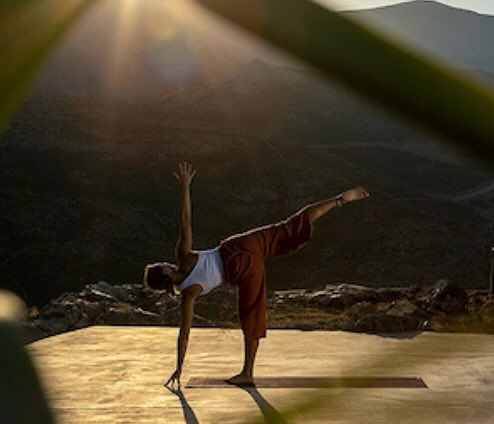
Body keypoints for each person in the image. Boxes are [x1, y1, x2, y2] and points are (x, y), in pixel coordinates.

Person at [148, 162, 369, 389]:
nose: (166, 263)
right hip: (238, 245)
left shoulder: (188, 294)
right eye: (163, 264)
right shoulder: (183, 256)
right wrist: (185, 187)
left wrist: (179, 367)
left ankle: (247, 373)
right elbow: (185, 220)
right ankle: (339, 200)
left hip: (242, 269)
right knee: (291, 225)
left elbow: (184, 334)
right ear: (165, 270)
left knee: (251, 315)